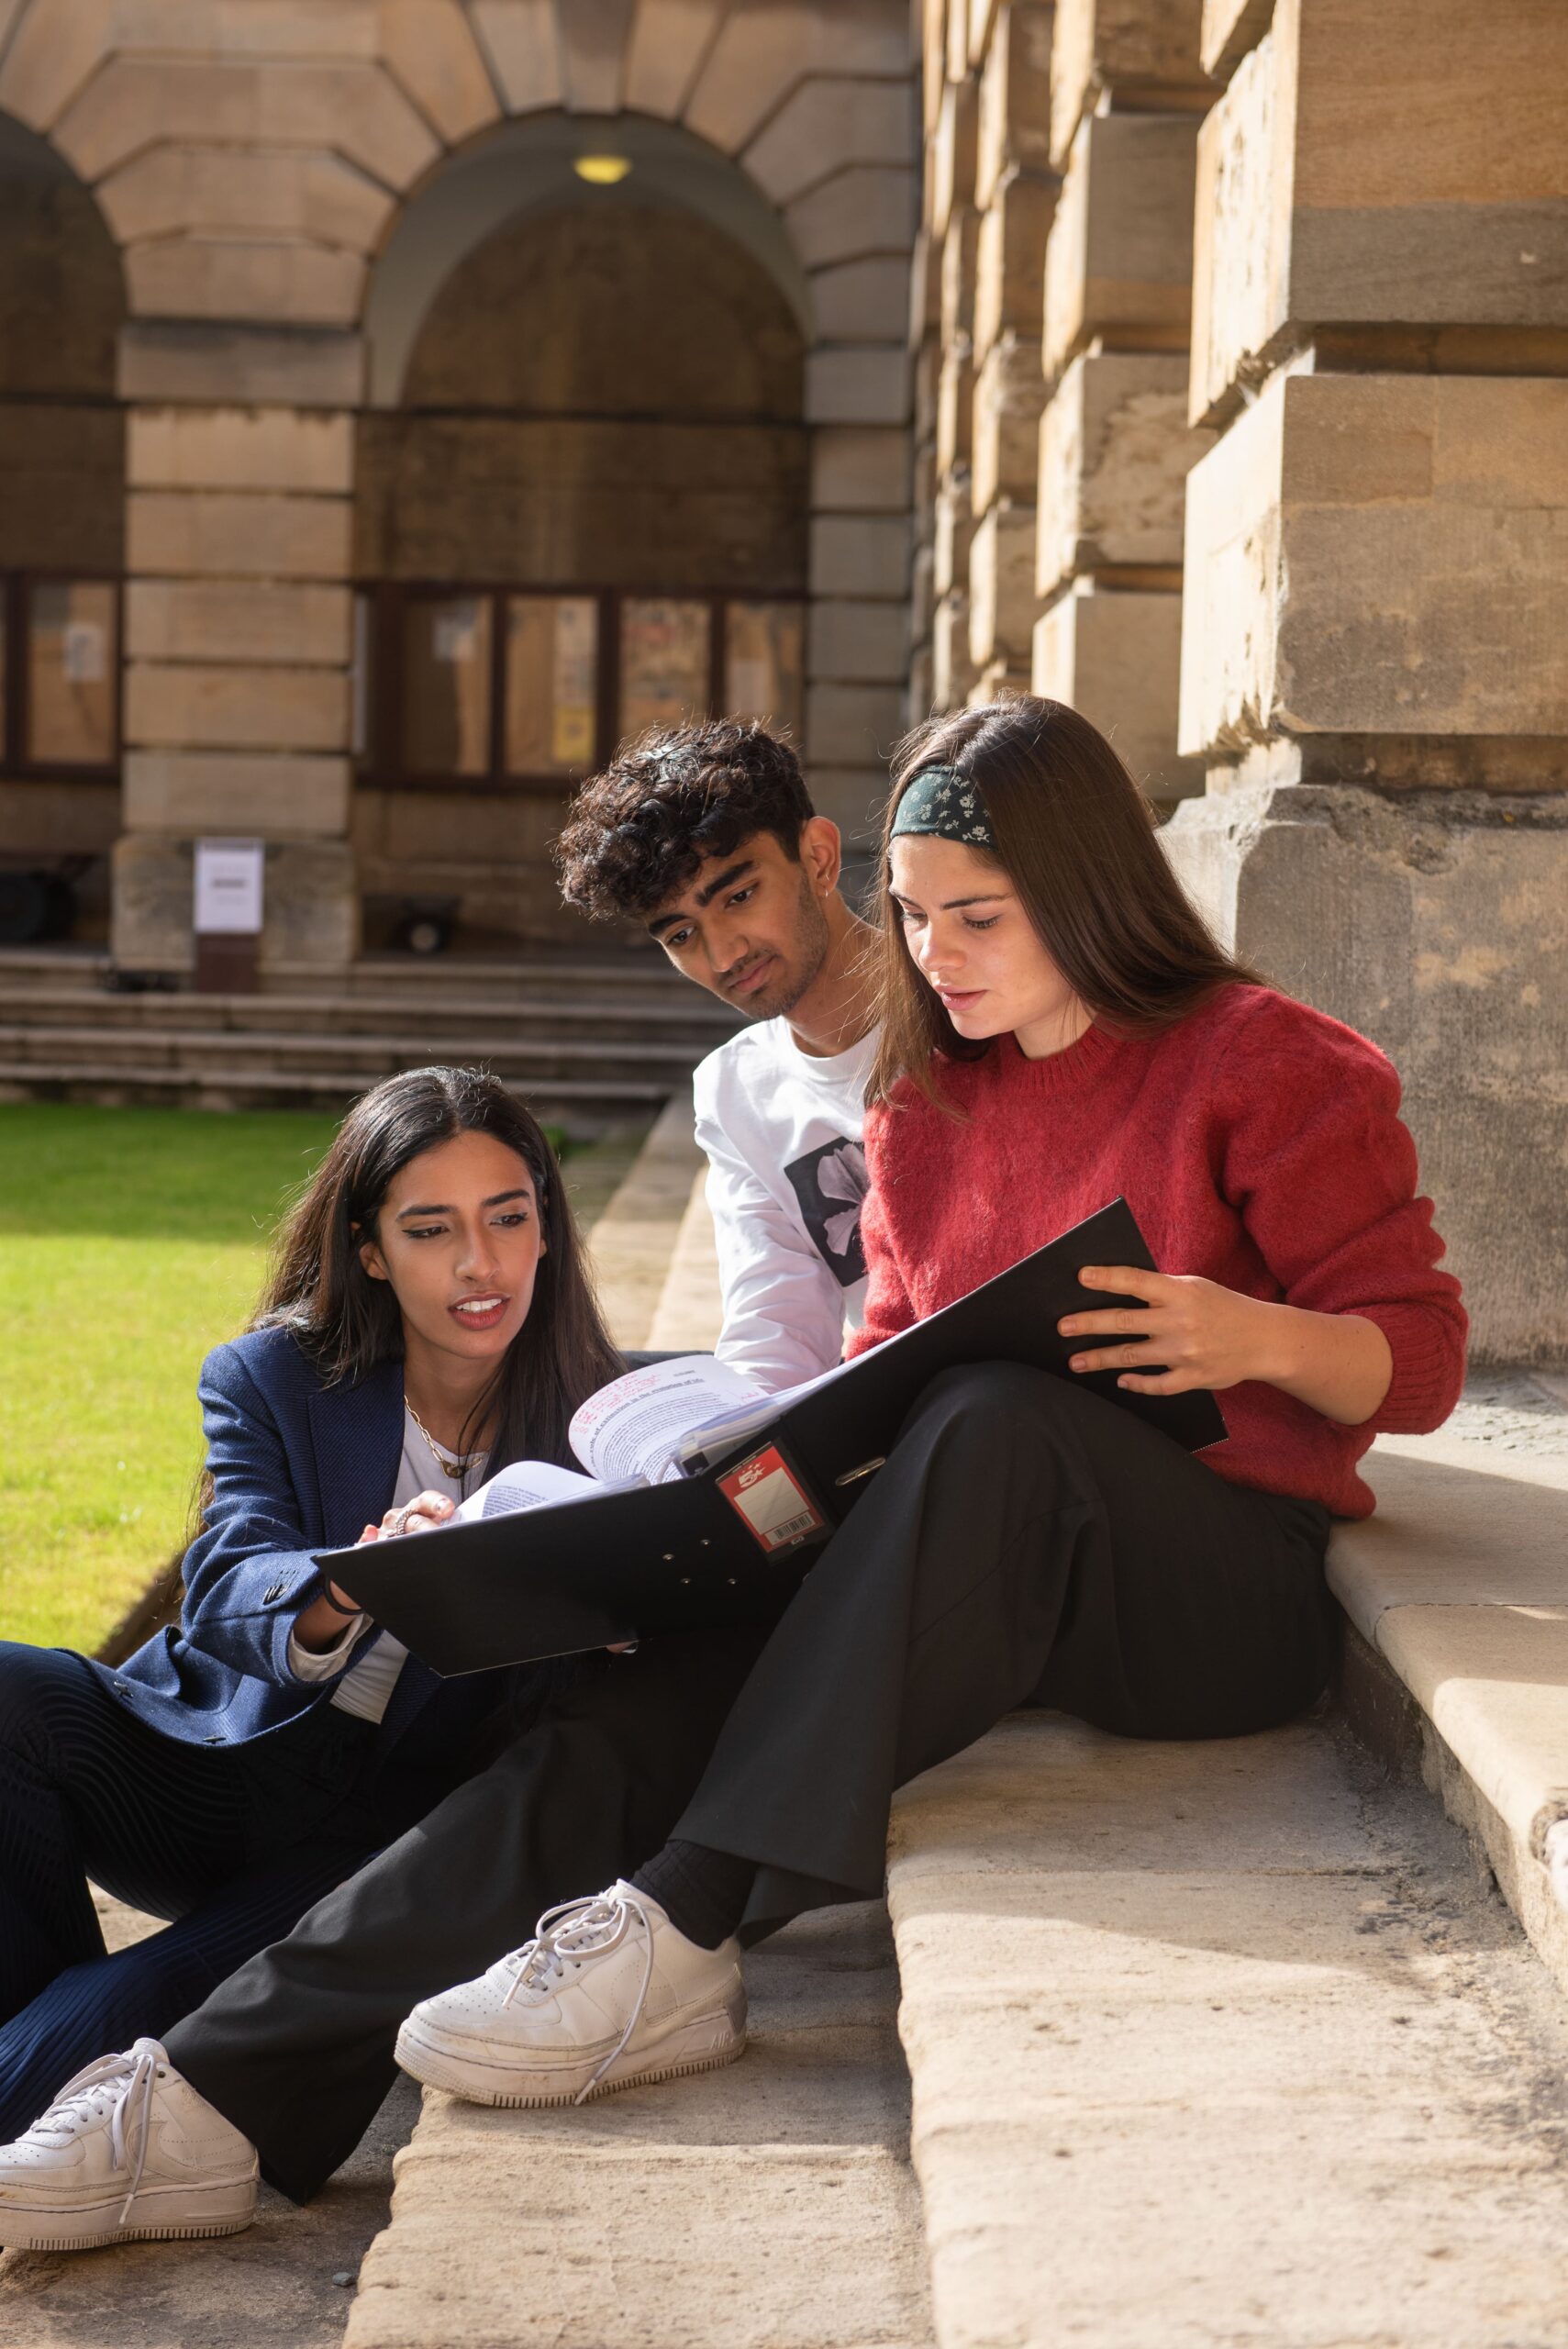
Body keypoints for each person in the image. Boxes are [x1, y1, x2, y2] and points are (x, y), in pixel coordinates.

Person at [0, 698, 1468, 2252]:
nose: (932, 953)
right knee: (630, 1690)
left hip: (1222, 1587)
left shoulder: (1267, 1061)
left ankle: (689, 1916)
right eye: (910, 917)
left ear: (1085, 888)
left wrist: (1246, 1334)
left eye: (972, 916)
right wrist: (706, 1528)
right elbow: (882, 1369)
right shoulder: (925, 1102)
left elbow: (1421, 1359)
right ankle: (205, 2103)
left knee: (991, 1416)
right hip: (983, 1579)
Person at [0, 1064, 619, 2241]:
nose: (478, 1265)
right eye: (430, 1230)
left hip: (371, 1843)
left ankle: (40, 2072)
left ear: (546, 1222)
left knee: (128, 2002)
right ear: (372, 1249)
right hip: (212, 1765)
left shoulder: (609, 1418)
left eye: (507, 1217)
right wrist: (355, 1575)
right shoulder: (274, 1376)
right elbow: (231, 1572)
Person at [555, 719, 878, 1394]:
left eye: (738, 896)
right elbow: (776, 1333)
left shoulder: (970, 1001)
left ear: (817, 859)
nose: (724, 954)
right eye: (681, 933)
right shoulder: (736, 1091)